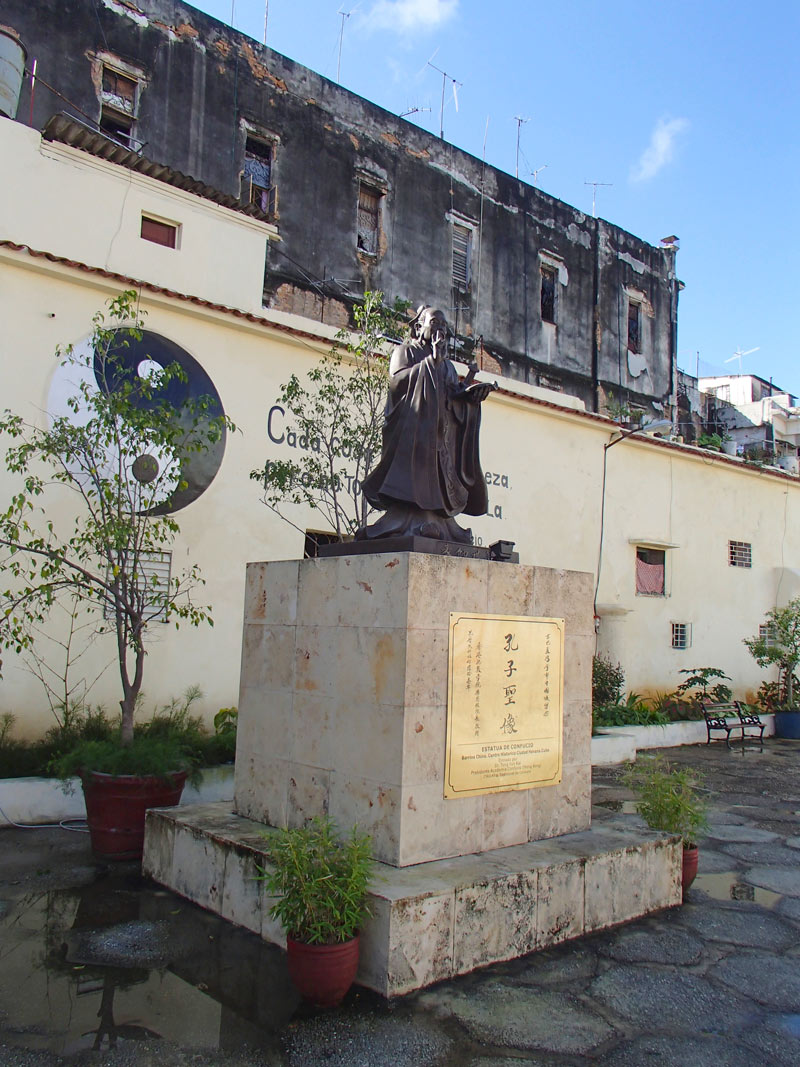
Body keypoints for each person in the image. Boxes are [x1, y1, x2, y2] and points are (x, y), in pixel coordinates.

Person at [357, 306, 495, 544]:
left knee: (441, 474)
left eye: (444, 326)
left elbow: (452, 398)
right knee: (415, 472)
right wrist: (431, 362)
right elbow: (397, 383)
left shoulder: (448, 366)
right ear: (419, 327)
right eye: (435, 323)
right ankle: (410, 517)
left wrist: (470, 399)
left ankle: (438, 517)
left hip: (441, 441)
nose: (440, 329)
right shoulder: (405, 352)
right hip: (414, 436)